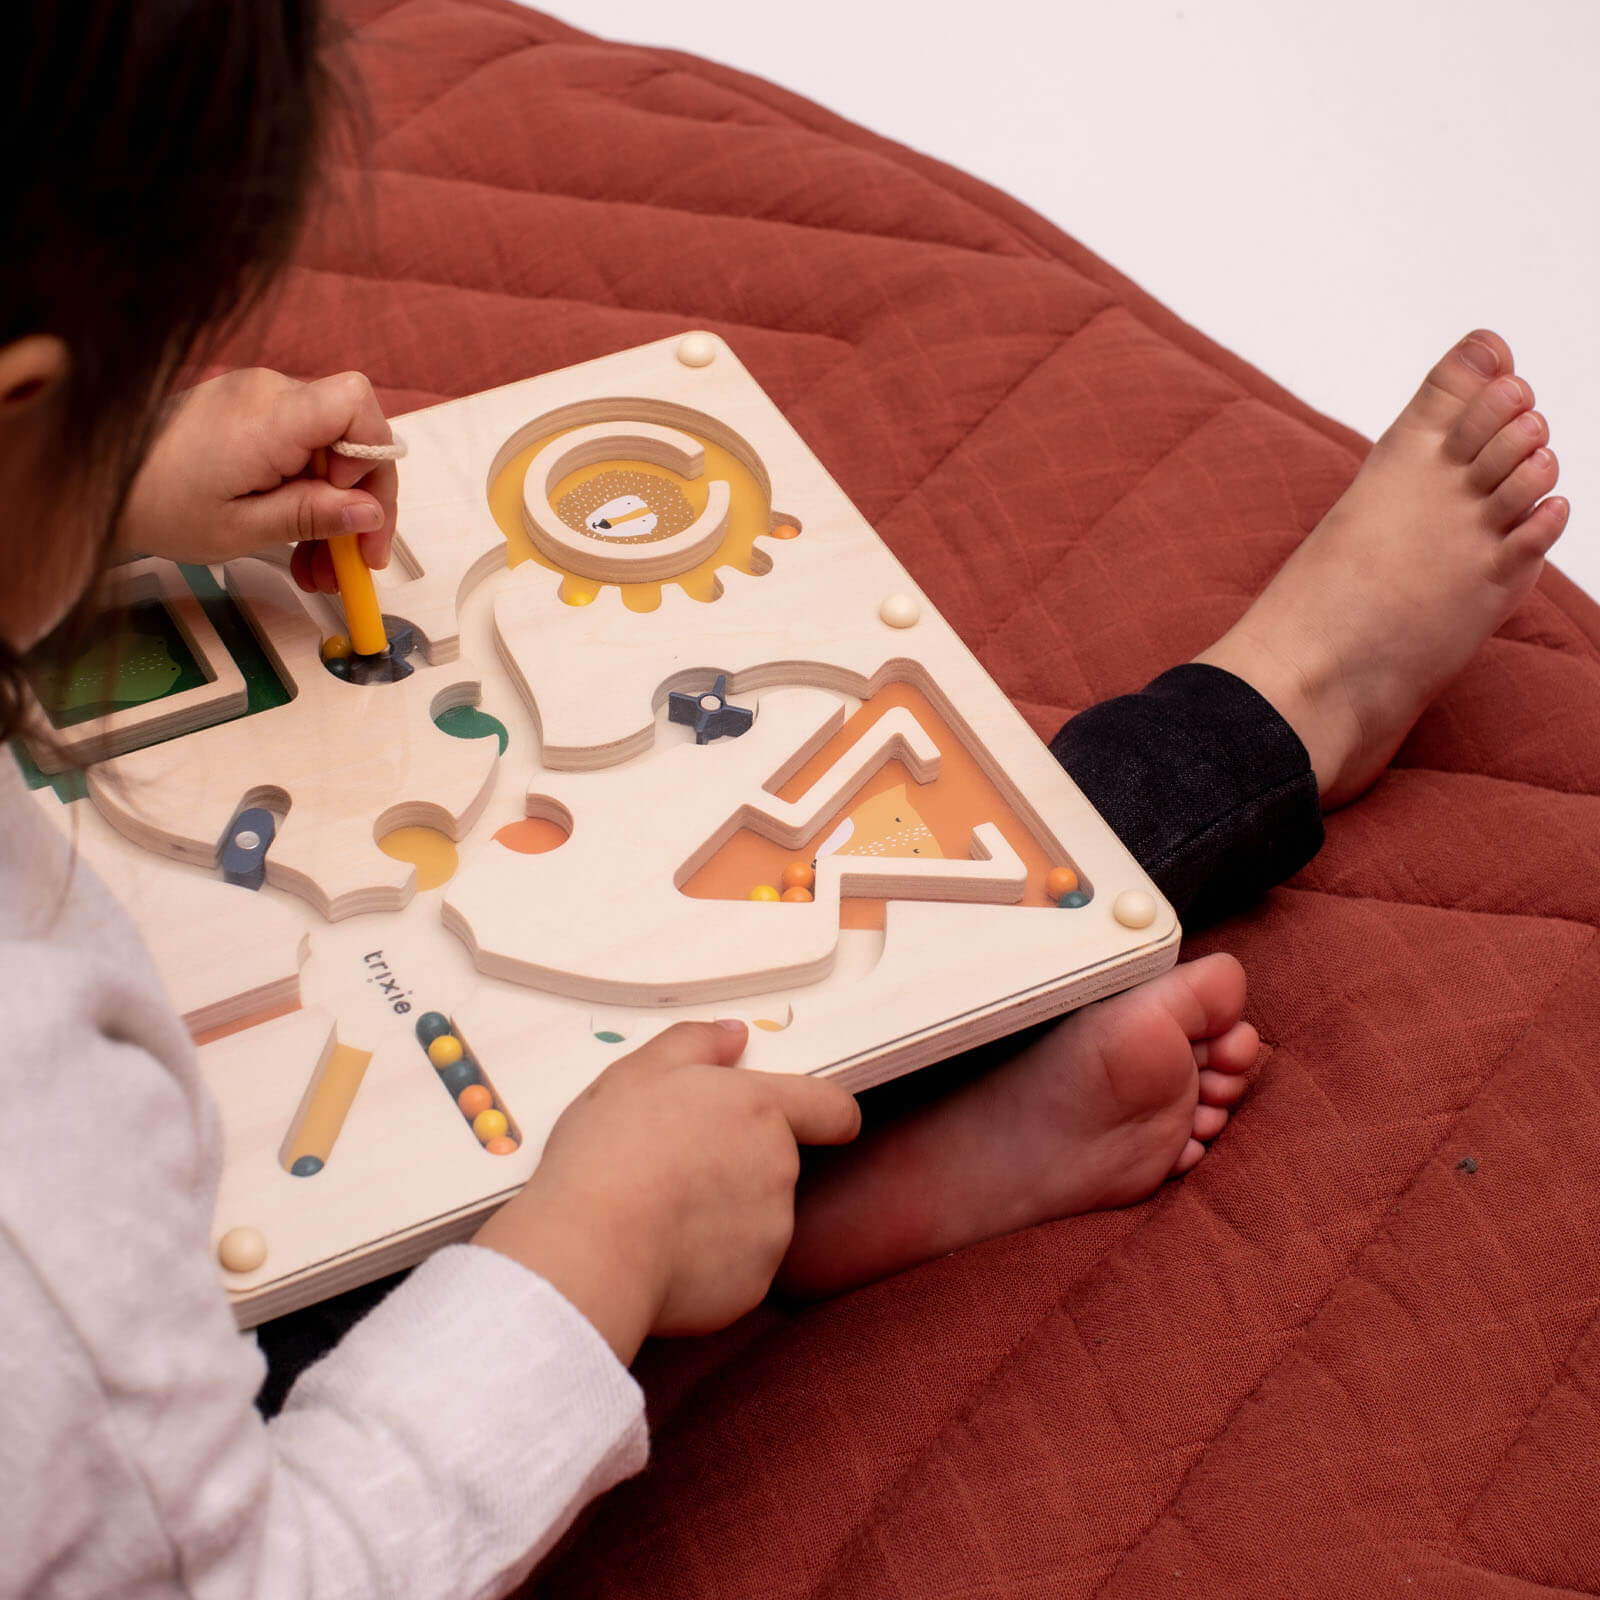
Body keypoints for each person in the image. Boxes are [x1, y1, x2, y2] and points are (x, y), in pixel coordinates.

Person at [0, 3, 1570, 1596]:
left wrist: (111, 482)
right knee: (750, 988)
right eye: (141, 382)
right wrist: (592, 1249)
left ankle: (784, 1188)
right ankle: (1286, 707)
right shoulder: (43, 1188)